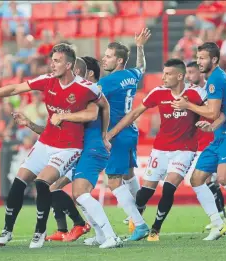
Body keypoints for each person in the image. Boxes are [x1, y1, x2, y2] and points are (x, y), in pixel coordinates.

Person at [0, 43, 110, 249]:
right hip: (46, 142)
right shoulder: (47, 81)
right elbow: (16, 88)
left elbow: (102, 108)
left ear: (69, 65)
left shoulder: (87, 88)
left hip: (69, 147)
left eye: (57, 61)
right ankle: (7, 230)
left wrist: (104, 135)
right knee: (19, 180)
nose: (52, 65)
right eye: (52, 60)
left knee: (42, 183)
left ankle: (39, 232)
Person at [107, 58, 226, 241]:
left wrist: (209, 123)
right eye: (163, 73)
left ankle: (155, 229)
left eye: (168, 74)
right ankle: (138, 216)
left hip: (185, 149)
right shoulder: (158, 93)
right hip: (160, 149)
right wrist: (112, 133)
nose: (163, 77)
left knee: (169, 188)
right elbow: (134, 113)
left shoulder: (196, 93)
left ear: (180, 76)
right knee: (145, 193)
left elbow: (216, 112)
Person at [15, 56, 122, 249]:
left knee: (80, 193)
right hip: (79, 150)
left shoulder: (90, 94)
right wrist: (30, 124)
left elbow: (99, 111)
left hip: (92, 148)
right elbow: (51, 130)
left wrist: (105, 136)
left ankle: (111, 236)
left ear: (83, 73)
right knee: (58, 188)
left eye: (77, 71)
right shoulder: (73, 98)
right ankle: (96, 233)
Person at [171, 42, 226, 240]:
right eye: (198, 58)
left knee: (223, 178)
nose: (199, 62)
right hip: (219, 135)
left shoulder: (215, 79)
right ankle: (218, 224)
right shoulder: (216, 78)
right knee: (197, 179)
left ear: (214, 59)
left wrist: (187, 104)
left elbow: (213, 111)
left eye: (203, 58)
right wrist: (213, 126)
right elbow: (223, 113)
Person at [99, 28, 151, 241]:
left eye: (109, 56)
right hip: (131, 132)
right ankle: (139, 210)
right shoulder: (131, 75)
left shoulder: (107, 83)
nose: (104, 59)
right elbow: (142, 67)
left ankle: (139, 224)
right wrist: (140, 46)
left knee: (113, 181)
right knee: (128, 174)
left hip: (117, 134)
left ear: (119, 61)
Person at [186, 61, 226, 231]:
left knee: (215, 180)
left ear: (200, 72)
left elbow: (218, 113)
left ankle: (222, 220)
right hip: (202, 141)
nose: (189, 76)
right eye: (187, 72)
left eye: (191, 72)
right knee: (209, 181)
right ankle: (221, 219)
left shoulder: (211, 91)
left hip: (216, 139)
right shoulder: (190, 93)